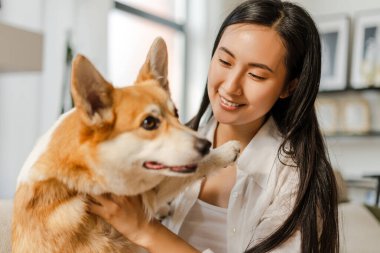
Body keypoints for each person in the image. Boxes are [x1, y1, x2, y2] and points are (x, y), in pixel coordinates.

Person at [88, 0, 339, 252]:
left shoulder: (297, 179)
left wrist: (144, 230)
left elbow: (141, 229)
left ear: (289, 86)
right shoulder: (161, 147)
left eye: (256, 75)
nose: (230, 86)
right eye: (225, 61)